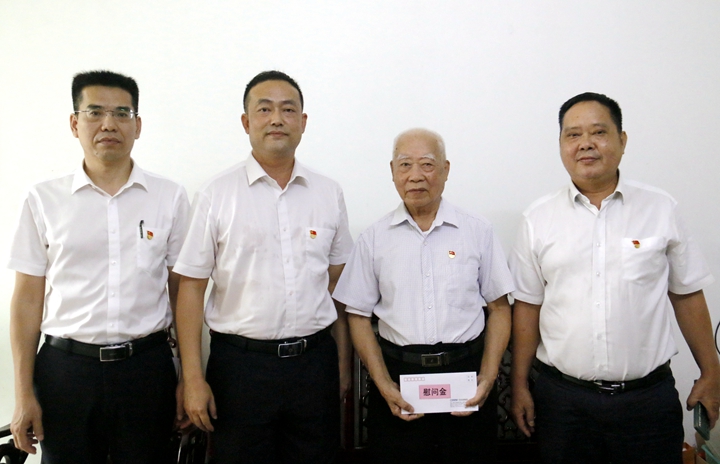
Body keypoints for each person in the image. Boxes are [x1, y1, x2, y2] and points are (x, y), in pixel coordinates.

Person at [509, 92, 720, 464]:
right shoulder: (537, 218)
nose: (585, 143)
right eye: (573, 135)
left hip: (647, 402)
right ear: (561, 145)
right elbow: (528, 306)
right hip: (564, 403)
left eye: (598, 132)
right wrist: (519, 385)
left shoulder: (660, 208)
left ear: (622, 140)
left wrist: (711, 372)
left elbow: (686, 294)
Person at [8, 70, 189, 463]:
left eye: (122, 113)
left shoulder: (170, 197)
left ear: (137, 125)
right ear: (75, 124)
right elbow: (27, 299)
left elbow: (182, 293)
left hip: (147, 370)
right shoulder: (43, 199)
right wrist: (22, 393)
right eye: (95, 112)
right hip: (65, 373)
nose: (109, 124)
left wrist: (189, 378)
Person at [174, 70, 353, 464]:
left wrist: (342, 365)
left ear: (302, 122)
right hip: (240, 370)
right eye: (264, 109)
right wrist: (193, 377)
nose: (277, 119)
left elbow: (338, 285)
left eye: (288, 110)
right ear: (246, 122)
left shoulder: (328, 192)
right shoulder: (216, 194)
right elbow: (191, 288)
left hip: (314, 364)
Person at [333, 128, 514, 463]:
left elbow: (500, 308)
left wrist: (488, 378)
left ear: (445, 169)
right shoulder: (374, 239)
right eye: (405, 165)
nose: (415, 175)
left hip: (466, 375)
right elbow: (356, 315)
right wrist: (383, 384)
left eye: (427, 164)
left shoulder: (477, 231)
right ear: (392, 171)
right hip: (399, 376)